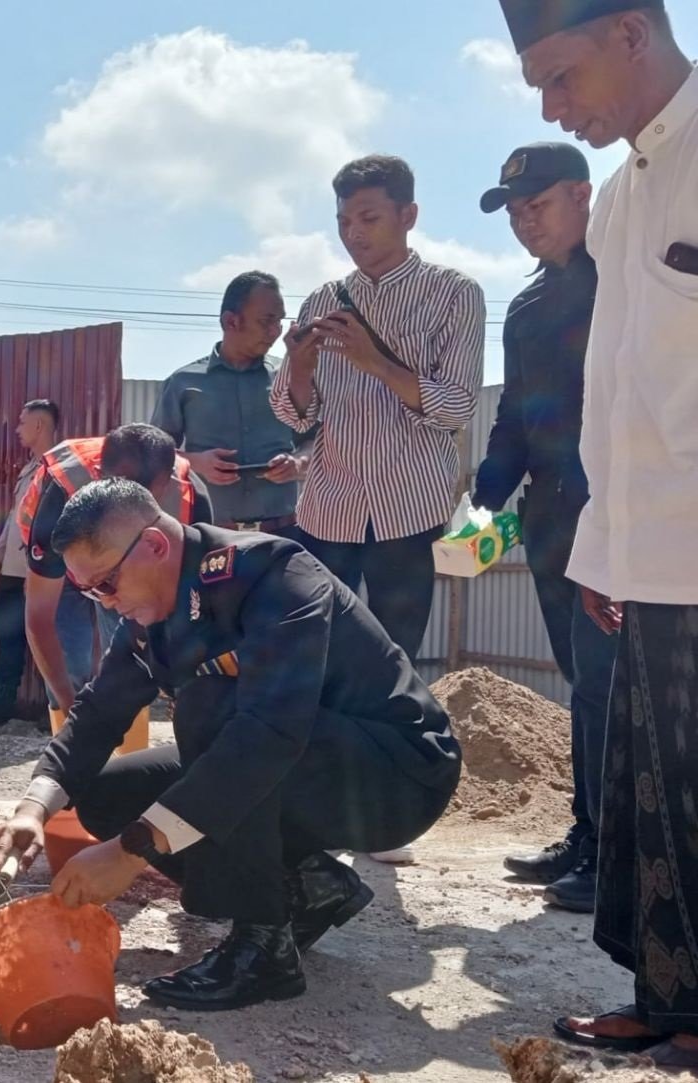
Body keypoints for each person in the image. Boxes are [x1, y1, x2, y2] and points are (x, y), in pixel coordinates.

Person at [0, 479, 461, 1011]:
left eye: (107, 585)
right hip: (300, 762)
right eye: (92, 593)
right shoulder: (153, 612)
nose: (108, 604)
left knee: (211, 708)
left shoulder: (274, 575)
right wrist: (35, 807)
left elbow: (268, 733)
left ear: (156, 546)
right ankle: (309, 888)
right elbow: (99, 712)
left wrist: (131, 851)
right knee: (105, 796)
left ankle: (263, 949)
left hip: (395, 776)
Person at [500, 0, 698, 1068]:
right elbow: (611, 395)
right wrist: (601, 551)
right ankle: (670, 1001)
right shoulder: (621, 197)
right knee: (653, 798)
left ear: (629, 31)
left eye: (559, 74)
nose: (550, 104)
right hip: (651, 558)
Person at [473, 142, 618, 913]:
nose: (525, 221)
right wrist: (488, 489)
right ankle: (588, 831)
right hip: (551, 519)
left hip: (616, 514)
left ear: (582, 195)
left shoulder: (624, 280)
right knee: (581, 679)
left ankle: (615, 852)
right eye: (515, 212)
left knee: (606, 683)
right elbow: (516, 414)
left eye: (539, 204)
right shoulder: (528, 305)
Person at [271, 155, 485, 662]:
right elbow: (293, 414)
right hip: (329, 508)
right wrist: (299, 368)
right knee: (315, 652)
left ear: (408, 216)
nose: (354, 234)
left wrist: (376, 362)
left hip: (408, 512)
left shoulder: (454, 293)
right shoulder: (323, 300)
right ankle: (325, 743)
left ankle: (387, 742)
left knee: (394, 659)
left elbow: (456, 406)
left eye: (369, 219)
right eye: (344, 222)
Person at [18, 423, 212, 730]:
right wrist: (72, 714)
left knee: (128, 670)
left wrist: (182, 689)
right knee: (71, 665)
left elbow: (191, 610)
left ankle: (129, 762)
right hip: (66, 566)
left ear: (163, 482)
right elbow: (40, 617)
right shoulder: (61, 494)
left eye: (137, 497)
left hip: (133, 564)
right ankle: (69, 761)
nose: (122, 505)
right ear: (99, 471)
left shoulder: (190, 500)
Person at [152, 271, 308, 532]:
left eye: (279, 322)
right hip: (210, 538)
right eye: (266, 321)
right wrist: (196, 463)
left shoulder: (289, 378)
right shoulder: (183, 383)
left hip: (284, 536)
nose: (274, 332)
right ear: (230, 321)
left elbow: (318, 441)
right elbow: (155, 455)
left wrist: (298, 463)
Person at [0, 399, 60, 731]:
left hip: (38, 572)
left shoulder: (57, 469)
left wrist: (33, 571)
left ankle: (51, 708)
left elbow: (50, 524)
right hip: (12, 570)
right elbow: (16, 518)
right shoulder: (29, 470)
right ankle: (4, 704)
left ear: (39, 426)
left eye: (22, 423)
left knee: (46, 638)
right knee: (9, 638)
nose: (17, 429)